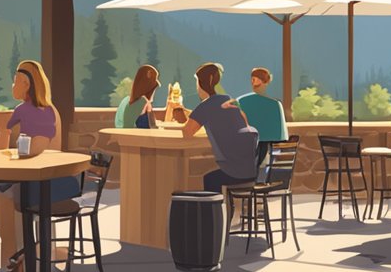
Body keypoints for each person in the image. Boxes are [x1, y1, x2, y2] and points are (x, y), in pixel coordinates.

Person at [0, 60, 86, 272]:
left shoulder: (41, 112)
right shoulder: (30, 109)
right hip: (41, 179)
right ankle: (23, 258)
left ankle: (22, 261)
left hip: (50, 182)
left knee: (9, 198)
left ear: (26, 83)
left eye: (15, 80)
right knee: (4, 195)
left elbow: (34, 150)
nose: (12, 84)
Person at [182, 62, 259, 193]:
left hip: (233, 171)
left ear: (202, 84)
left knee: (209, 178)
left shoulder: (206, 105)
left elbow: (187, 132)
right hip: (252, 169)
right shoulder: (229, 100)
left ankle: (213, 213)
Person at [222, 67, 288, 178]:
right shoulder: (275, 105)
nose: (254, 82)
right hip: (265, 161)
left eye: (257, 79)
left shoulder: (242, 101)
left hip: (249, 157)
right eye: (253, 79)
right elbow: (281, 136)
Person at [114, 65, 180, 128]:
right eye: (154, 89)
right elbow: (152, 125)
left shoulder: (126, 100)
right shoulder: (143, 101)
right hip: (136, 138)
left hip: (125, 136)